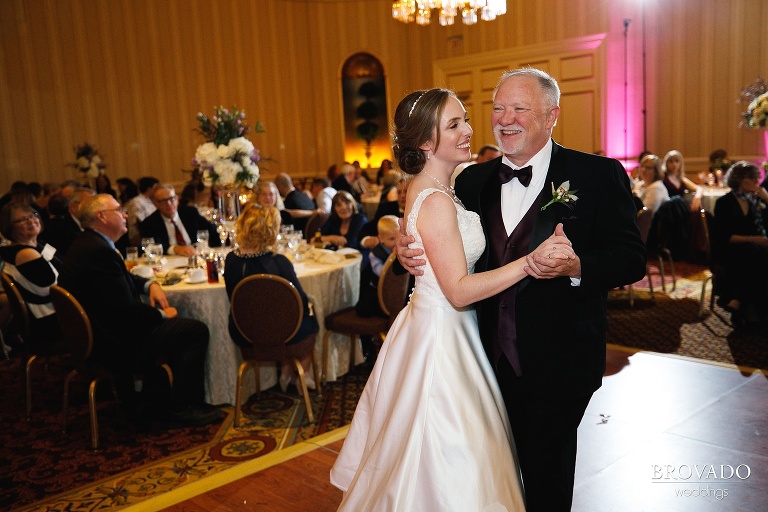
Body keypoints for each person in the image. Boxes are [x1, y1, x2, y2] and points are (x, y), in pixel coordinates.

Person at [395, 71, 646, 511]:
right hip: (480, 362)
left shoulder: (597, 174)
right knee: (487, 480)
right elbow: (441, 240)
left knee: (548, 484)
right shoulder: (469, 181)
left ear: (552, 116)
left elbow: (630, 258)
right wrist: (404, 245)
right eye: (497, 108)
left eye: (519, 109)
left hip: (560, 362)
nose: (504, 120)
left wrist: (578, 265)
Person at [57, 194, 221, 426]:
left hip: (96, 336)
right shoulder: (99, 252)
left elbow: (122, 278)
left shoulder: (90, 243)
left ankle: (153, 397)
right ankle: (181, 406)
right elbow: (127, 313)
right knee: (193, 331)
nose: (125, 215)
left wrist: (149, 284)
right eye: (118, 210)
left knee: (177, 324)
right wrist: (163, 315)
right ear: (101, 216)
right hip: (113, 344)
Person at [224, 204, 318, 391]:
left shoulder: (231, 260)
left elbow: (234, 299)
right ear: (271, 230)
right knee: (310, 313)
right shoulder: (279, 263)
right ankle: (302, 374)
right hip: (285, 334)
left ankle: (285, 368)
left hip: (246, 333)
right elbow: (298, 302)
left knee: (273, 315)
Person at [712, 161, 768, 327]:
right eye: (750, 179)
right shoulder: (725, 203)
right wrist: (753, 239)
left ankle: (739, 299)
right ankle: (750, 308)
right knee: (752, 253)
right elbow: (724, 237)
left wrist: (766, 198)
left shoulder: (755, 202)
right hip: (729, 250)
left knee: (757, 254)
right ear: (738, 180)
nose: (755, 183)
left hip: (753, 250)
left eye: (756, 179)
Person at [0, 202, 62, 343]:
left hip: (55, 311)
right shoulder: (25, 254)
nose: (31, 220)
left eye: (33, 215)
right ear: (10, 228)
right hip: (50, 320)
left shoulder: (37, 244)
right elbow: (55, 286)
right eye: (22, 220)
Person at [138, 184, 220, 257]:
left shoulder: (190, 213)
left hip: (195, 257)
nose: (169, 204)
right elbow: (151, 247)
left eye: (171, 199)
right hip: (168, 264)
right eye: (163, 201)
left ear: (177, 199)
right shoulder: (149, 223)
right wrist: (175, 249)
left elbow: (213, 230)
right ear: (155, 204)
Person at [354, 215, 399, 319]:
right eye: (392, 239)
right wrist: (392, 257)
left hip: (395, 290)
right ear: (381, 239)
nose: (397, 242)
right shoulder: (375, 254)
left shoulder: (403, 249)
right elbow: (382, 273)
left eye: (399, 237)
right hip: (377, 289)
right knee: (363, 308)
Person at [42, 187, 95, 257]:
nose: (95, 209)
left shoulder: (99, 225)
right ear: (73, 207)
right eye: (89, 205)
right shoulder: (58, 230)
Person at [124, 176, 159, 247]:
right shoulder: (137, 202)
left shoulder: (151, 201)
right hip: (141, 241)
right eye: (156, 188)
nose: (158, 191)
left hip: (152, 237)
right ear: (149, 189)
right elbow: (140, 223)